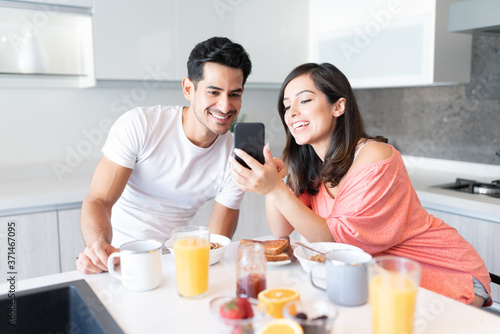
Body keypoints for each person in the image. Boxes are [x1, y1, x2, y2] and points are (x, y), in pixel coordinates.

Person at [231, 62, 492, 307]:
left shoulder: (375, 156)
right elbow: (280, 229)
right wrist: (275, 184)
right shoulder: (312, 166)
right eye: (287, 106)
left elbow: (337, 242)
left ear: (338, 106)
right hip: (382, 281)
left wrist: (275, 189)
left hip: (441, 274)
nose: (292, 113)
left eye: (305, 100)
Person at [76, 37, 252, 275]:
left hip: (172, 265)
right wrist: (98, 245)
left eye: (234, 94)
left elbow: (216, 243)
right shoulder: (141, 124)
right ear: (189, 89)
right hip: (114, 257)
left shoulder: (235, 158)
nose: (224, 106)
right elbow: (98, 200)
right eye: (214, 92)